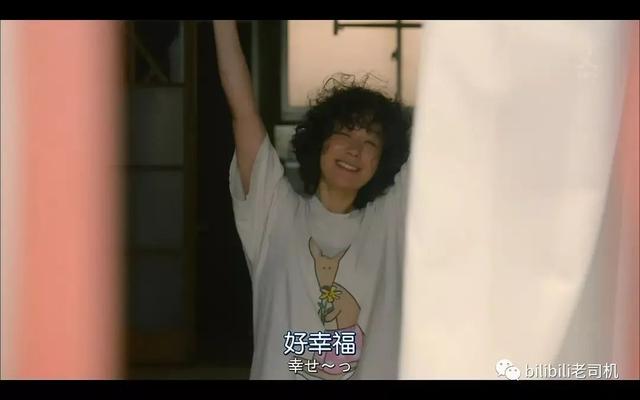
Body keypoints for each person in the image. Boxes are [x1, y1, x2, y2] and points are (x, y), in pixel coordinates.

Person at [213, 20, 411, 380]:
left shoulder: (390, 218)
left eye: (370, 142)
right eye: (344, 134)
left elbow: (448, 120)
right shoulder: (274, 211)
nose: (354, 149)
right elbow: (243, 109)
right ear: (320, 142)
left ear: (382, 161)